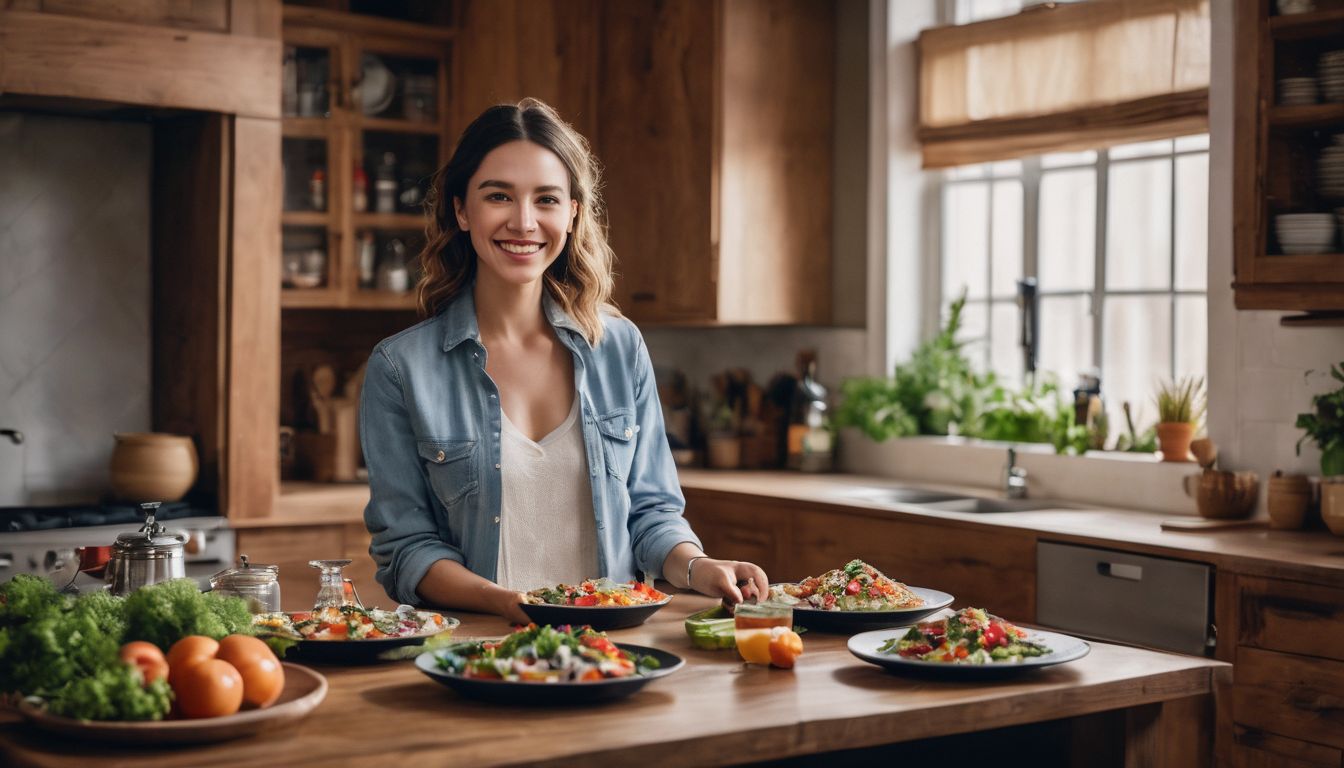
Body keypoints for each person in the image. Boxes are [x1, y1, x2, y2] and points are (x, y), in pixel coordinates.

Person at [360, 98, 769, 623]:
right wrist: (511, 605)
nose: (524, 221)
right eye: (499, 196)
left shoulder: (619, 347)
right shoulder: (400, 368)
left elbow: (651, 514)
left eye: (546, 199)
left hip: (613, 652)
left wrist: (698, 566)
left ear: (573, 212)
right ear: (462, 209)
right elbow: (407, 549)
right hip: (477, 657)